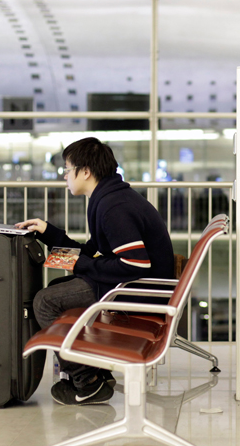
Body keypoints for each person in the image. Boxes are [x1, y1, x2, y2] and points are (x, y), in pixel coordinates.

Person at [16, 137, 174, 406]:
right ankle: (96, 372)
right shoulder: (108, 197)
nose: (65, 176)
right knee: (54, 291)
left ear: (85, 171)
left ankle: (87, 381)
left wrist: (80, 266)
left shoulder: (114, 207)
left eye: (67, 169)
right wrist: (49, 233)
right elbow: (91, 252)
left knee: (45, 301)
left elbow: (135, 265)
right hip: (133, 285)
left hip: (139, 290)